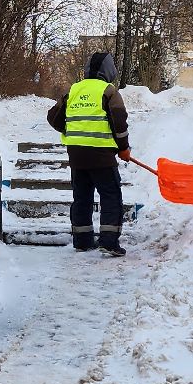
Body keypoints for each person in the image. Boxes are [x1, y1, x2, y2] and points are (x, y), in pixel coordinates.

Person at [46, 52, 132, 257]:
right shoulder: (108, 91)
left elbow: (54, 117)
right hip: (102, 155)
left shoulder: (74, 89)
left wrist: (72, 130)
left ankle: (82, 241)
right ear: (109, 71)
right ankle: (109, 242)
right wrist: (123, 147)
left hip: (76, 155)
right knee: (110, 196)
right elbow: (119, 121)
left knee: (82, 197)